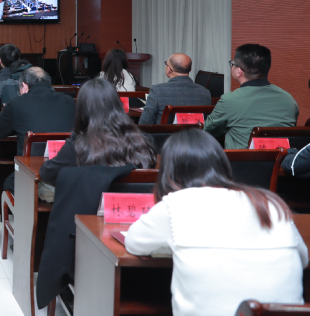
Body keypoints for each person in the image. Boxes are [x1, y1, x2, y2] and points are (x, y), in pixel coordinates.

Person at [125, 128, 307, 316]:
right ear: (223, 165)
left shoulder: (175, 204)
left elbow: (134, 242)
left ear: (167, 173)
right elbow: (303, 258)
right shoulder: (268, 203)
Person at [39, 77, 156, 184]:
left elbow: (46, 173)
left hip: (91, 200)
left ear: (81, 109)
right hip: (133, 200)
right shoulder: (142, 141)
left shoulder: (77, 146)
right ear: (117, 104)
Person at [0, 68, 75, 192]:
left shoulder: (17, 103)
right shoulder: (69, 101)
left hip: (30, 176)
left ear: (24, 86)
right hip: (65, 173)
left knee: (8, 183)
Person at [205, 44, 298, 149]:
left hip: (241, 160)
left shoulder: (229, 101)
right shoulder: (289, 101)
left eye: (232, 64)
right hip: (282, 159)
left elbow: (207, 132)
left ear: (239, 71)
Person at [138, 53, 212, 125]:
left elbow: (144, 124)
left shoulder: (157, 91)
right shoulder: (205, 92)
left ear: (169, 69)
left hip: (165, 134)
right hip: (196, 133)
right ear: (190, 69)